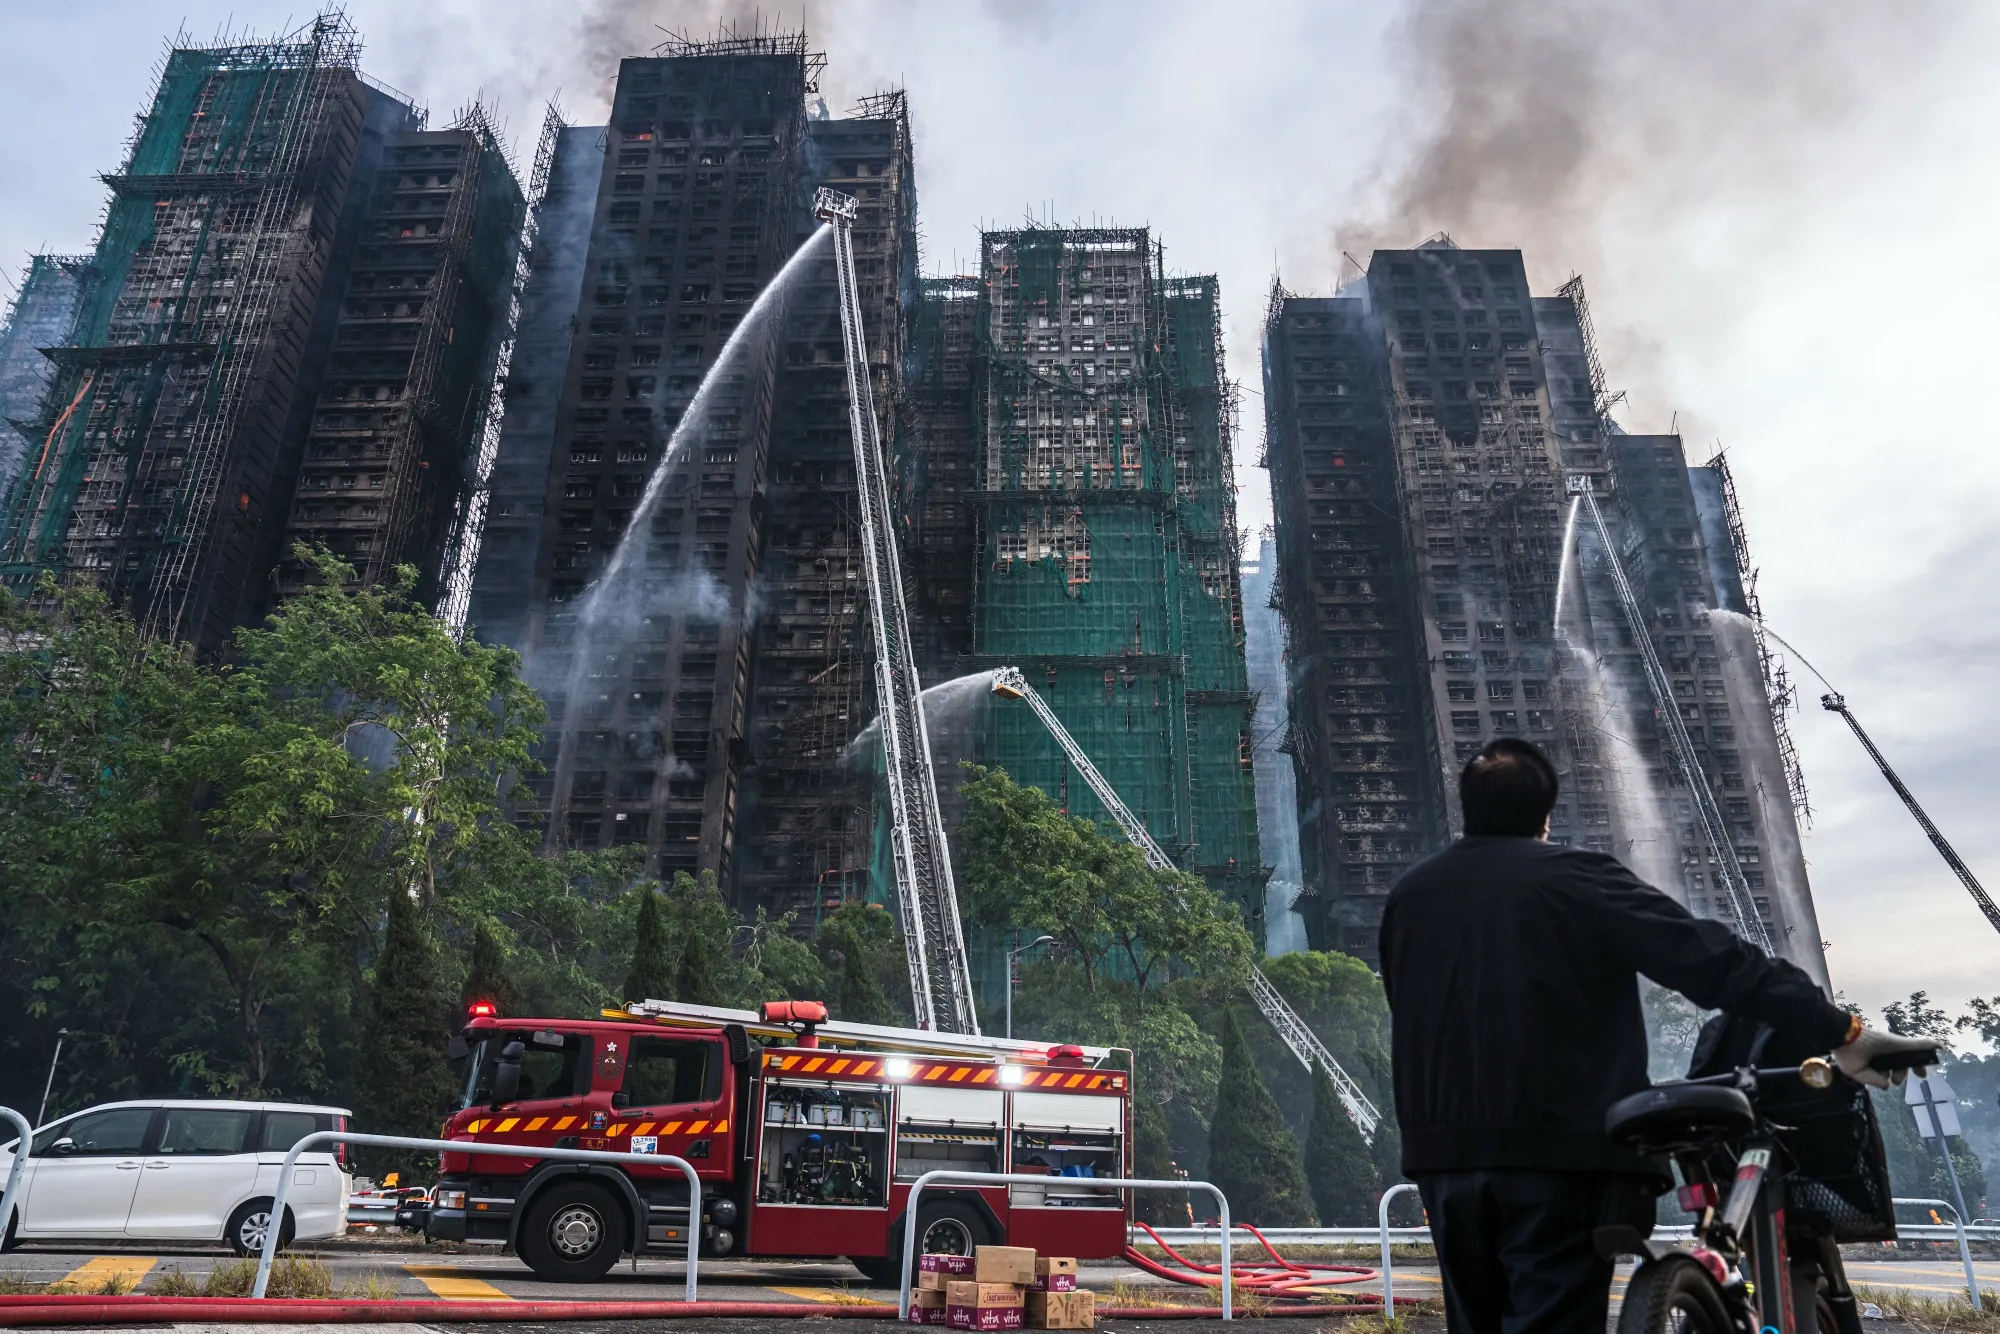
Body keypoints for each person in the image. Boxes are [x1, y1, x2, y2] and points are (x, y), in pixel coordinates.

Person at [1378, 737, 1930, 1334]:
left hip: (1444, 1164)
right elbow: (1712, 960)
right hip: (1560, 1157)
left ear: (1467, 806)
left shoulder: (1411, 896)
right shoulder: (1575, 879)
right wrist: (1839, 1028)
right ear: (1545, 816)